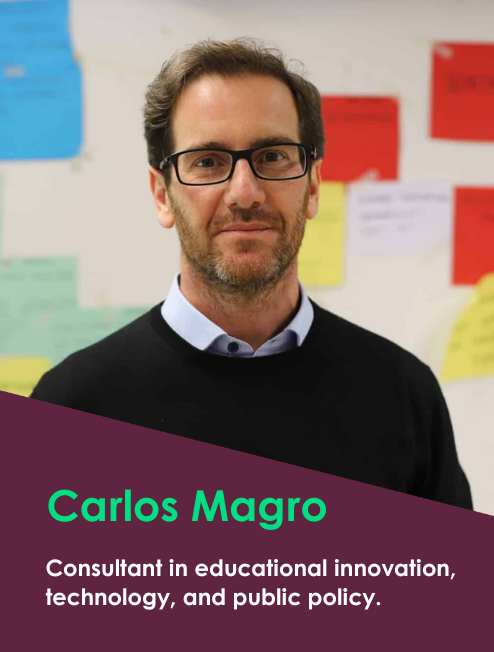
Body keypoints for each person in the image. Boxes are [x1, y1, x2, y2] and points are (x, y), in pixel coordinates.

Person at [30, 38, 472, 509]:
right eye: (207, 162)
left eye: (272, 157)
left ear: (313, 185)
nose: (245, 192)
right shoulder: (71, 407)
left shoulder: (403, 394)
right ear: (162, 195)